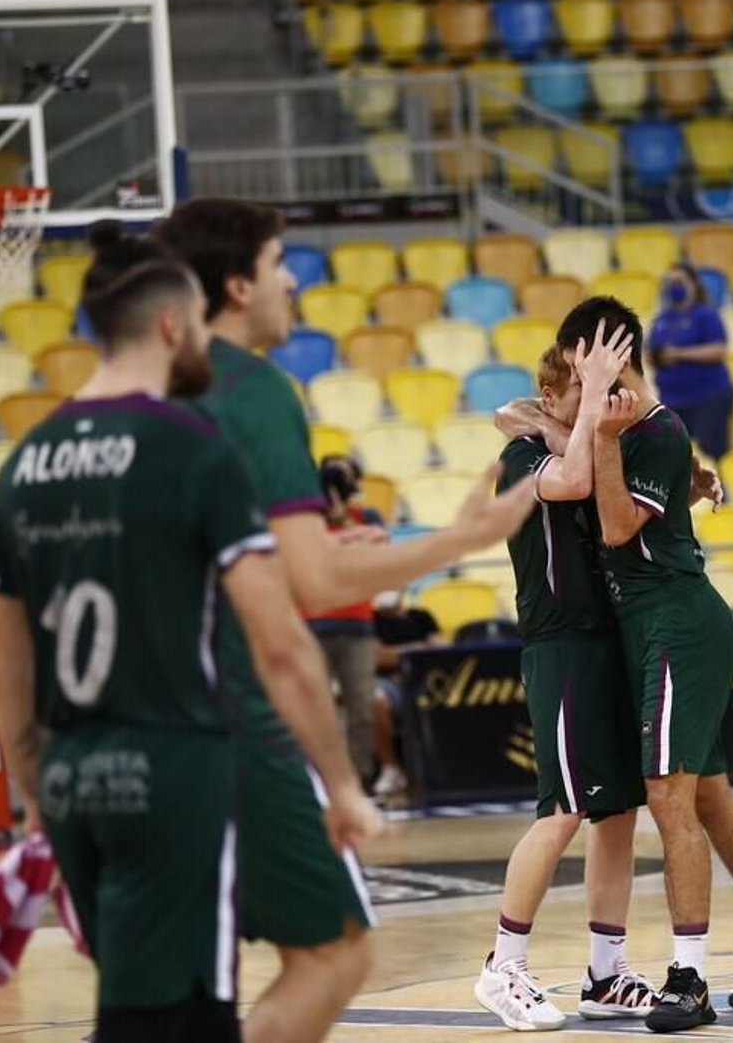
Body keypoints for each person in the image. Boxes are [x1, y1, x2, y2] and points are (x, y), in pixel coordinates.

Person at [0, 224, 381, 1041]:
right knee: (183, 1015)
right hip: (172, 769)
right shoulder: (190, 446)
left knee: (135, 1005)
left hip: (70, 780)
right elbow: (277, 641)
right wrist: (341, 782)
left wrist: (32, 795)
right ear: (171, 325)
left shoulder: (24, 461)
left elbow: (2, 659)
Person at [155, 198, 538, 1042]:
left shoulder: (128, 390)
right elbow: (315, 580)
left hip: (115, 726)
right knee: (335, 948)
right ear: (234, 284)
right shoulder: (253, 388)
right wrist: (455, 537)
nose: (292, 278)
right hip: (220, 719)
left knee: (176, 990)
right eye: (279, 261)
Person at [561, 296, 733, 1034]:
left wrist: (610, 438)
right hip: (659, 624)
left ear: (609, 353)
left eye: (576, 359)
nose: (568, 374)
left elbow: (617, 527)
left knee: (669, 794)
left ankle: (690, 977)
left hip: (679, 622)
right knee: (707, 794)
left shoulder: (649, 427)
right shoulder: (636, 429)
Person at [475, 329, 657, 1031]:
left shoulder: (569, 435)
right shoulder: (520, 458)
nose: (601, 403)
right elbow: (573, 478)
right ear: (552, 396)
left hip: (609, 642)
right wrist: (564, 415)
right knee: (563, 808)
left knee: (617, 812)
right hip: (560, 647)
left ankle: (606, 972)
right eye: (586, 389)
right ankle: (503, 963)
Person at [306, 455, 385, 785]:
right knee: (315, 711)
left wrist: (344, 521)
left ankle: (359, 782)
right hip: (312, 625)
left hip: (358, 626)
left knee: (361, 709)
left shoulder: (367, 516)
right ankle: (320, 784)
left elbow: (379, 552)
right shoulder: (307, 521)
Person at [646, 263, 733, 461]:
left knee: (710, 454)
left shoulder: (705, 314)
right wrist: (657, 357)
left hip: (707, 398)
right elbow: (651, 354)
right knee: (673, 456)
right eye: (669, 283)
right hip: (673, 401)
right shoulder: (662, 319)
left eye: (678, 282)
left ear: (694, 284)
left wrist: (678, 354)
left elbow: (718, 350)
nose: (673, 287)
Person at [370, 591, 445, 797]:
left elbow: (439, 649)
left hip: (425, 683)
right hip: (389, 684)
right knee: (375, 701)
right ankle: (390, 768)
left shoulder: (422, 616)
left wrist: (397, 653)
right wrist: (417, 649)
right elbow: (378, 657)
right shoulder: (371, 620)